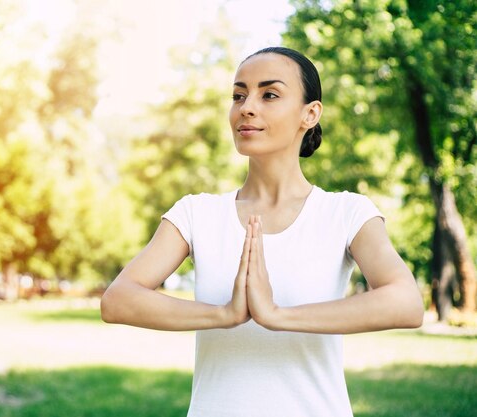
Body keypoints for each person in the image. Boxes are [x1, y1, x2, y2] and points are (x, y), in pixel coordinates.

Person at [100, 46, 424, 417]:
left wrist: (276, 315)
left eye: (269, 94)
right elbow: (118, 300)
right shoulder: (196, 213)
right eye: (239, 95)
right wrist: (224, 315)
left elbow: (406, 303)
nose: (246, 107)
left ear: (310, 113)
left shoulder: (347, 213)